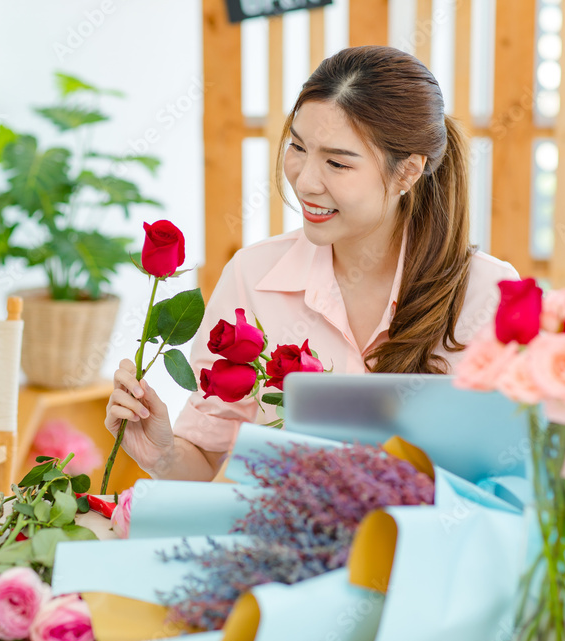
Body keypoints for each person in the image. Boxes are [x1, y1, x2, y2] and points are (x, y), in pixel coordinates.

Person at [105, 45, 519, 482]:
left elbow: (514, 474)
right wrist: (163, 453)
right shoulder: (253, 277)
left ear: (408, 172)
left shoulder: (489, 294)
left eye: (337, 162)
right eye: (298, 147)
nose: (304, 181)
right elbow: (209, 465)